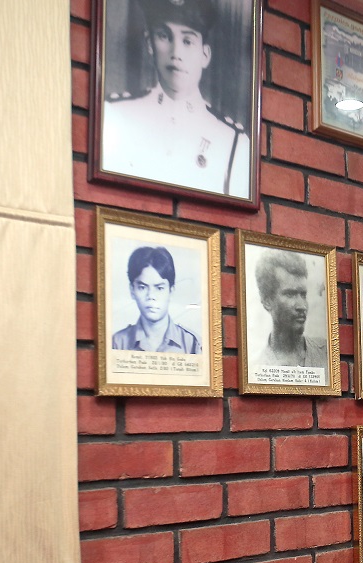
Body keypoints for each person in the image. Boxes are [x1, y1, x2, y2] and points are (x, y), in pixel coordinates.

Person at [101, 0, 251, 198]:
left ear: (205, 55)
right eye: (164, 36)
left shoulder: (233, 143)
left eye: (187, 41)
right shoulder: (114, 113)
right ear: (149, 43)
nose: (176, 54)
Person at [112, 246, 201, 353]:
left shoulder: (191, 343)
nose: (151, 296)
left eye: (159, 288)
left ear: (171, 291)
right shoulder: (117, 343)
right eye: (142, 287)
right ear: (132, 290)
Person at [252, 250, 328, 370]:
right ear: (267, 301)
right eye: (290, 294)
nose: (302, 306)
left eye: (303, 294)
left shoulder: (327, 354)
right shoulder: (256, 367)